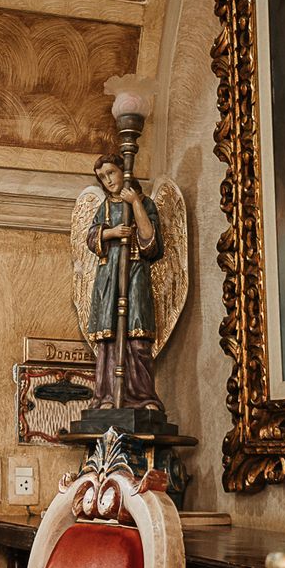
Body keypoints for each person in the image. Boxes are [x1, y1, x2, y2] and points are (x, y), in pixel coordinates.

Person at [83, 152, 165, 412]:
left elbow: (150, 241)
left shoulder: (145, 203)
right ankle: (108, 396)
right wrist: (113, 232)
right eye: (102, 177)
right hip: (109, 281)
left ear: (123, 170)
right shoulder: (105, 207)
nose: (108, 180)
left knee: (137, 337)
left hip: (135, 276)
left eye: (111, 173)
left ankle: (142, 397)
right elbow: (92, 237)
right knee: (108, 339)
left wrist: (135, 203)